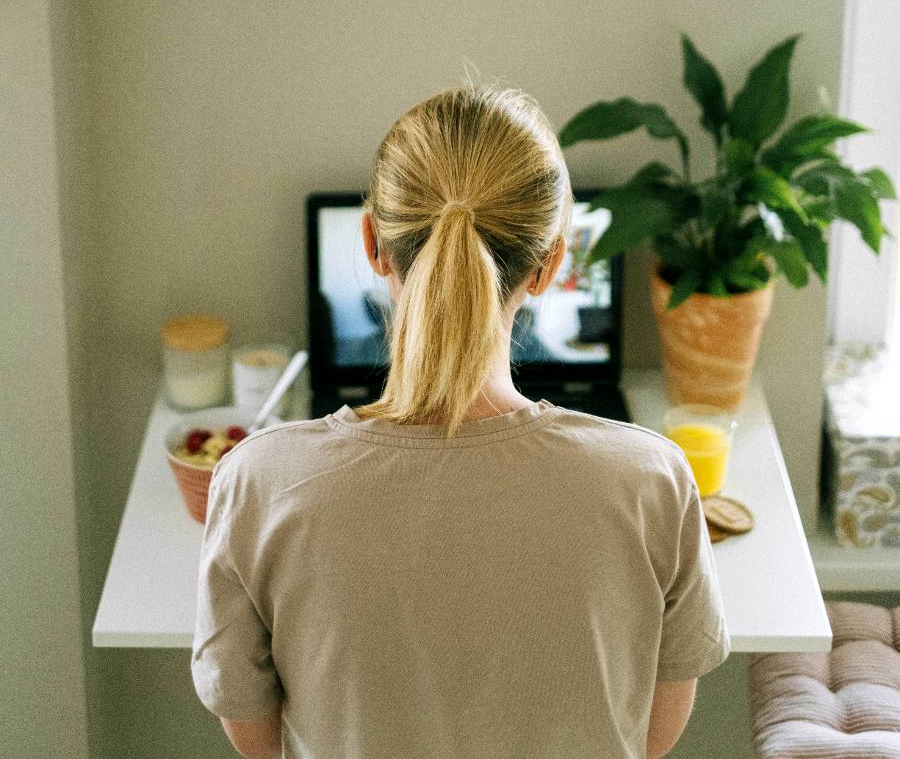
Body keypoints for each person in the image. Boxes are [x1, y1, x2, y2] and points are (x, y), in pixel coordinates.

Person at [191, 80, 730, 759]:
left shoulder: (256, 482)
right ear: (550, 265)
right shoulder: (652, 479)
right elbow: (649, 736)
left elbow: (255, 736)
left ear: (372, 242)